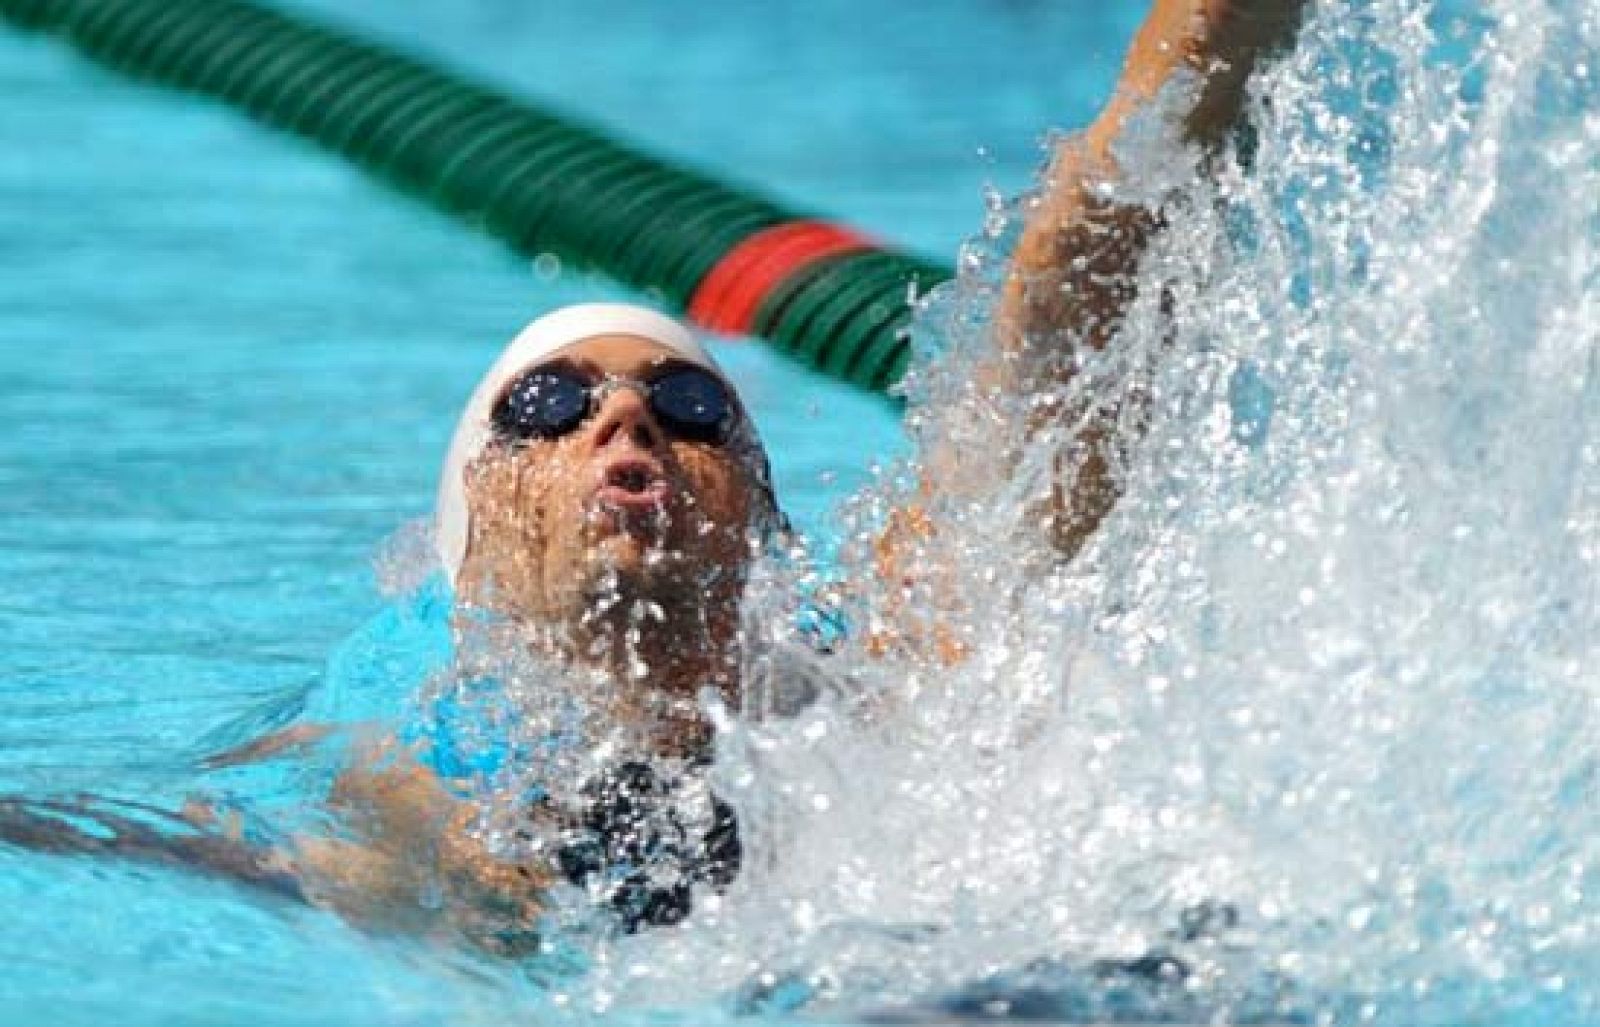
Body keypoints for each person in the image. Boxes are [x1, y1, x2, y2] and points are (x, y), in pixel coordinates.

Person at [0, 0, 1306, 951]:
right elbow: (231, 858)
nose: (625, 419)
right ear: (471, 532)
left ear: (763, 517)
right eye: (548, 407)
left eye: (691, 405)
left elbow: (1072, 303)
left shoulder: (884, 662)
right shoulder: (396, 748)